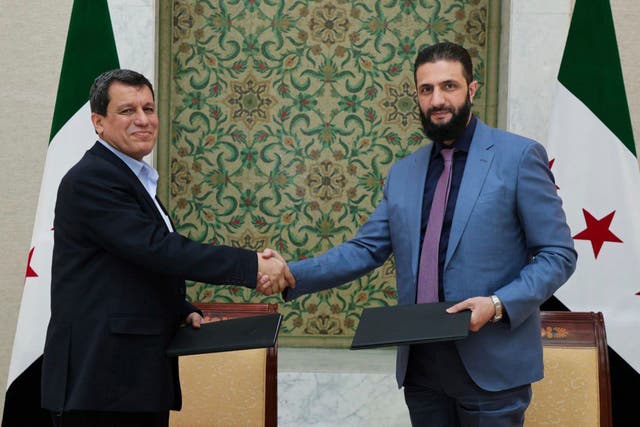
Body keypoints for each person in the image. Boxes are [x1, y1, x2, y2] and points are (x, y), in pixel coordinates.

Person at [265, 42, 577, 426]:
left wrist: (496, 304)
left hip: (491, 365)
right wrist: (291, 272)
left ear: (472, 89)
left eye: (449, 86)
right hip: (422, 368)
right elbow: (365, 249)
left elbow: (557, 254)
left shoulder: (518, 157)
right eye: (426, 90)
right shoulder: (403, 173)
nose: (437, 99)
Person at [40, 69, 293, 427]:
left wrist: (179, 308)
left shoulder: (131, 177)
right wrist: (251, 266)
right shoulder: (92, 179)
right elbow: (159, 249)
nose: (143, 120)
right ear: (98, 122)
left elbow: (134, 268)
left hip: (131, 379)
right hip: (101, 382)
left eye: (149, 108)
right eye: (128, 111)